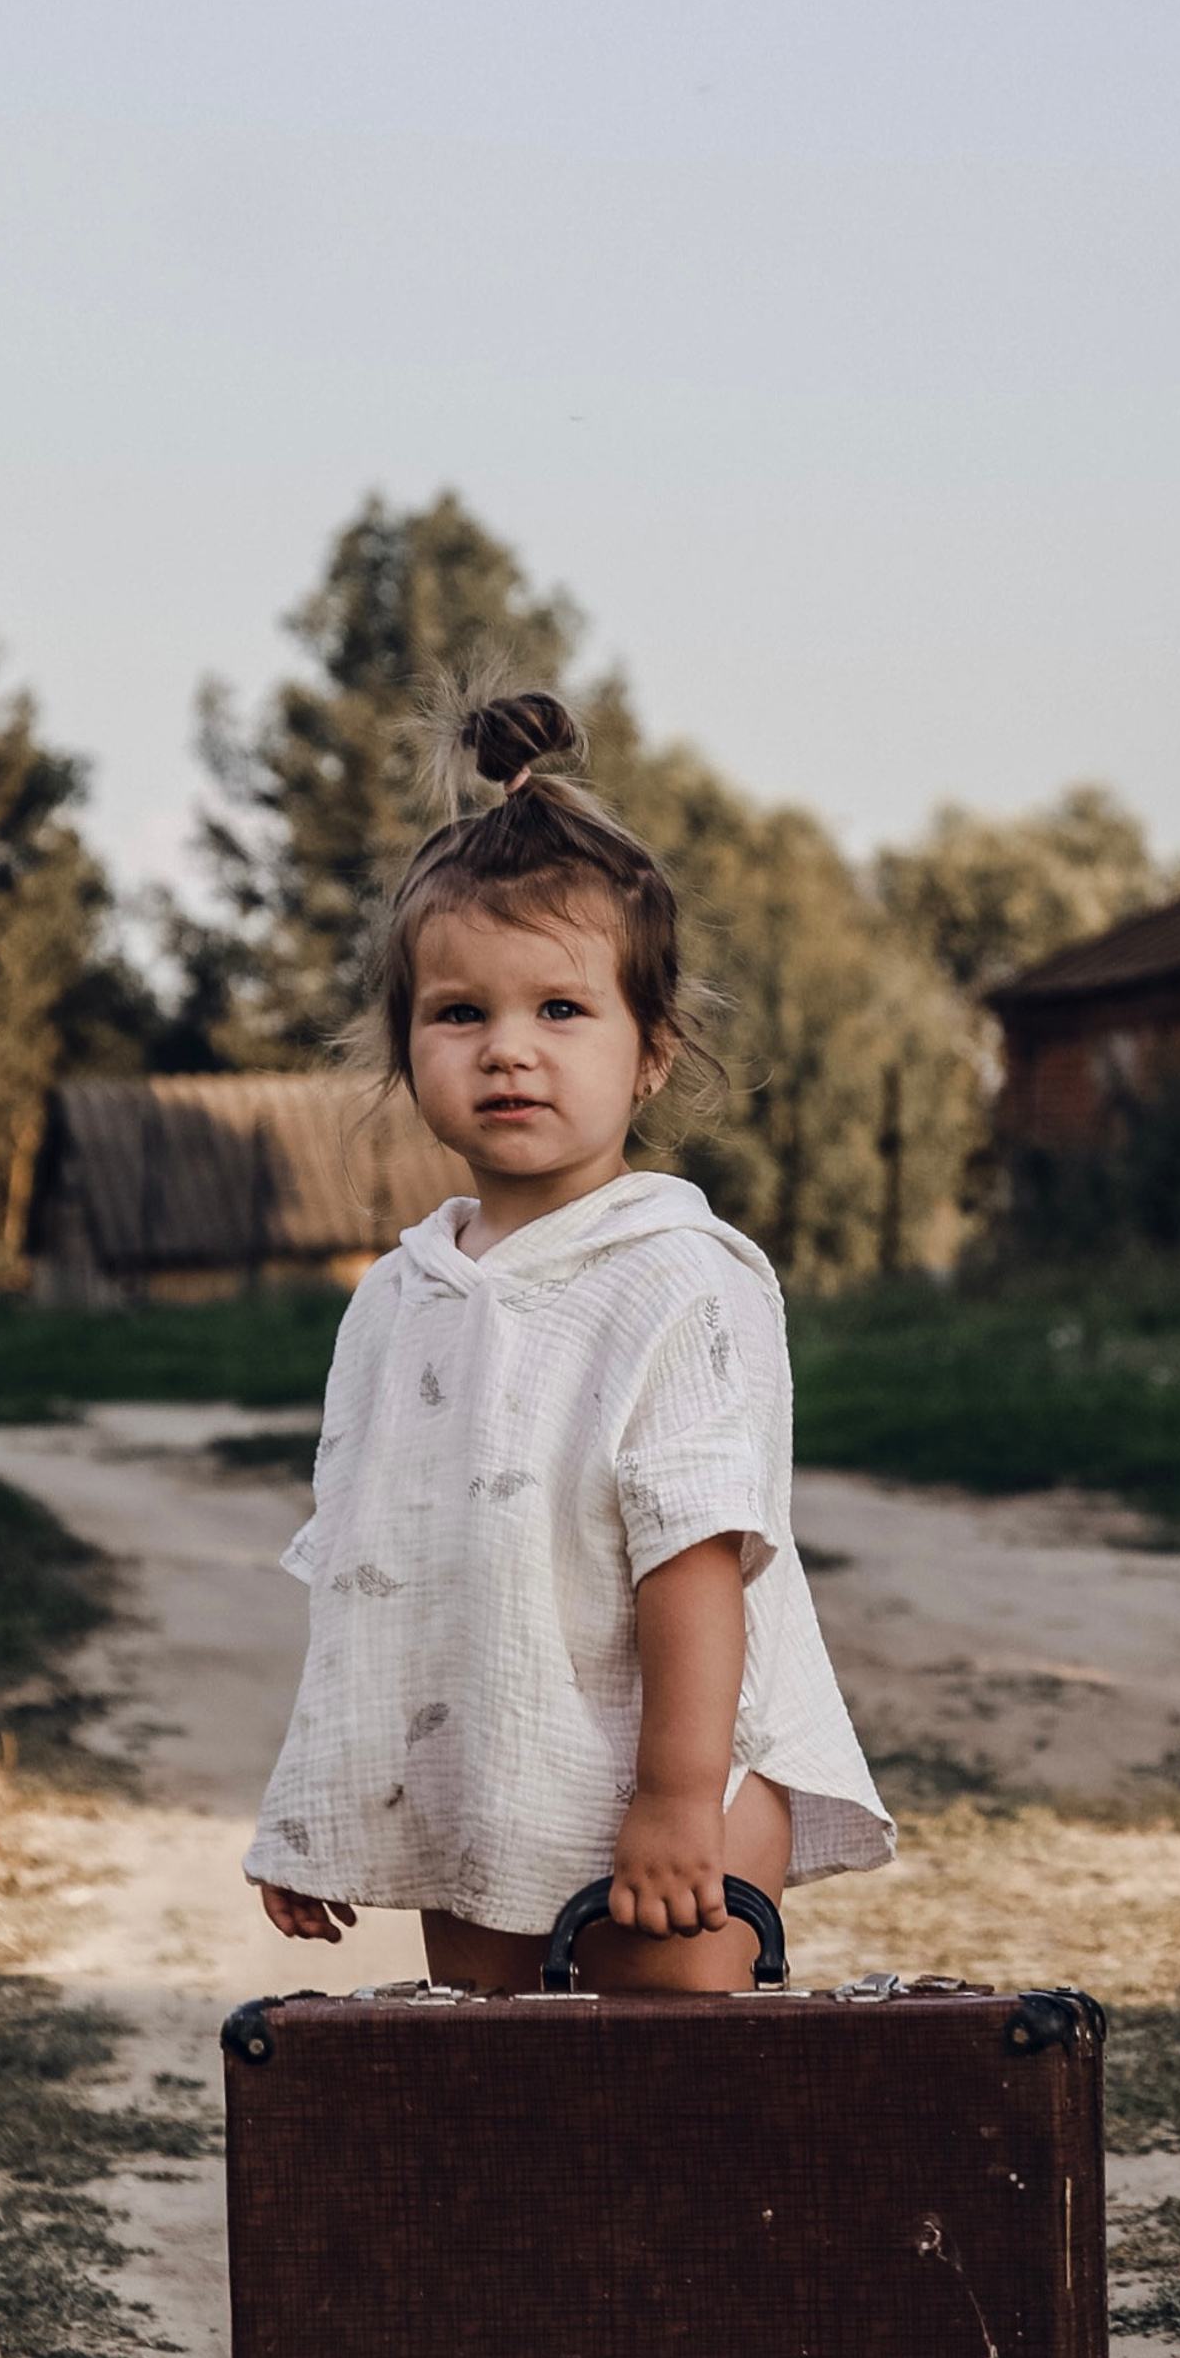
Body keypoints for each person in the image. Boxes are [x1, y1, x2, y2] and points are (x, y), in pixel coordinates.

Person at [244, 684, 893, 1991]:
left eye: (560, 1011)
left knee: (666, 2108)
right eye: (460, 1014)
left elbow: (696, 1558)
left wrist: (675, 1803)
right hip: (489, 1776)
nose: (508, 1053)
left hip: (675, 1772)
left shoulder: (674, 1279)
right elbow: (373, 1576)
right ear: (407, 1045)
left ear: (650, 1053)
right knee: (511, 2121)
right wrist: (312, 1808)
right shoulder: (399, 1297)